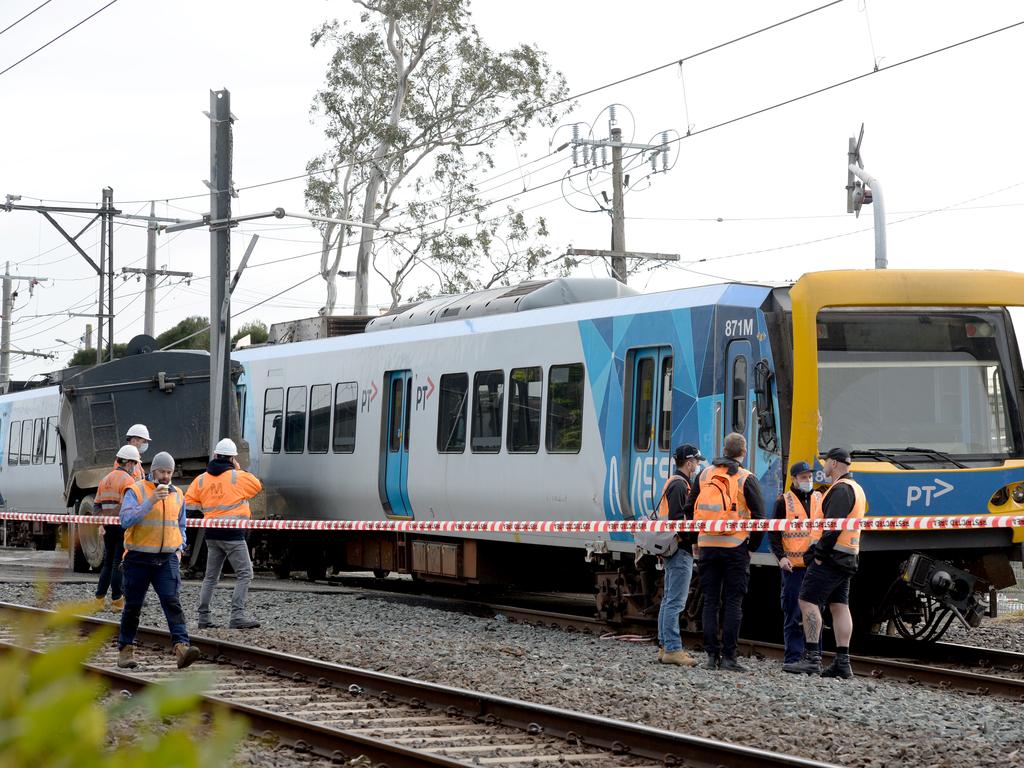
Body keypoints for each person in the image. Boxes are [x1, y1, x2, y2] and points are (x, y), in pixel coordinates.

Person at [784, 447, 866, 679]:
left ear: (835, 463)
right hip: (848, 556)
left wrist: (819, 554)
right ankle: (842, 661)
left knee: (807, 601)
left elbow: (832, 527)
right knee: (839, 606)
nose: (823, 466)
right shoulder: (856, 488)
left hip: (830, 558)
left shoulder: (840, 490)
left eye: (826, 461)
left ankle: (812, 659)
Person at [685, 432, 765, 672]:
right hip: (734, 548)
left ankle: (711, 657)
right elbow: (760, 517)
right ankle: (729, 658)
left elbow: (689, 508)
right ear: (743, 452)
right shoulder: (745, 478)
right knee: (733, 602)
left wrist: (695, 540)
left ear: (724, 449)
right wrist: (750, 548)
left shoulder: (705, 474)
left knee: (710, 601)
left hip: (707, 546)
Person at [116, 451, 200, 670]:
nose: (165, 476)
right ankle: (125, 650)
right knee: (133, 606)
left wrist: (180, 548)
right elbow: (125, 520)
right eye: (162, 471)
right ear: (153, 471)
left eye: (169, 472)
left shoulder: (178, 495)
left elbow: (181, 524)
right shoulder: (137, 491)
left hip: (167, 558)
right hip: (138, 558)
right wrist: (151, 501)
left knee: (172, 601)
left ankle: (182, 647)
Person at [186, 438, 263, 630]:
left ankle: (203, 618)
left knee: (210, 577)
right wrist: (239, 469)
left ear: (214, 456)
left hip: (211, 534)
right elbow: (257, 486)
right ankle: (237, 616)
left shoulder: (201, 479)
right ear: (233, 459)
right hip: (233, 534)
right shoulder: (238, 476)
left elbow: (190, 505)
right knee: (245, 574)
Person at [769, 461, 823, 666]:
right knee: (793, 614)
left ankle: (813, 657)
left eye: (809, 476)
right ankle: (793, 658)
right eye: (803, 477)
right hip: (793, 569)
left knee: (815, 615)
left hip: (815, 567)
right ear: (793, 479)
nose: (808, 480)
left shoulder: (820, 498)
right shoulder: (784, 501)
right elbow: (774, 533)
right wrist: (781, 557)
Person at [656, 443, 704, 667]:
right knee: (675, 602)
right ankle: (673, 649)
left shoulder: (674, 482)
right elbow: (678, 519)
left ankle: (665, 646)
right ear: (688, 462)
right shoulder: (680, 485)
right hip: (679, 550)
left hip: (673, 549)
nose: (697, 465)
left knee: (668, 601)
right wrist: (691, 541)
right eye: (695, 461)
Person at [93, 444, 142, 612]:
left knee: (107, 562)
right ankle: (116, 600)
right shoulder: (128, 480)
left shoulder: (104, 479)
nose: (134, 467)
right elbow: (126, 505)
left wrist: (102, 522)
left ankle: (99, 599)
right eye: (134, 463)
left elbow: (96, 505)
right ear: (128, 462)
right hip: (120, 526)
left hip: (108, 527)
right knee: (117, 562)